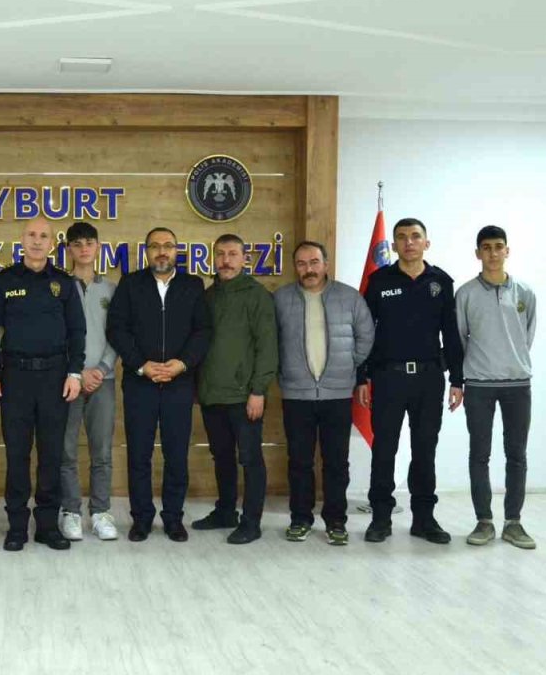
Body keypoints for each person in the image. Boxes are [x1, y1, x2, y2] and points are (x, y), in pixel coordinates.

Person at [356, 218, 464, 545]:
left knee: (424, 449)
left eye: (415, 237)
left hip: (429, 379)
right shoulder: (379, 281)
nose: (409, 242)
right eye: (401, 237)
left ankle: (424, 518)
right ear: (393, 243)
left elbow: (452, 335)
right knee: (384, 448)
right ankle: (381, 517)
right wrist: (362, 377)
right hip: (388, 378)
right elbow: (364, 332)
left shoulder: (442, 282)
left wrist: (457, 379)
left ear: (426, 243)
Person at [0, 217, 85, 552]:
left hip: (55, 379)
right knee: (17, 454)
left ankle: (46, 526)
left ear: (52, 243)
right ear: (21, 239)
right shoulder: (5, 280)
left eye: (44, 236)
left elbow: (77, 332)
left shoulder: (64, 283)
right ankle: (16, 527)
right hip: (15, 378)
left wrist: (75, 372)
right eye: (31, 235)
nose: (37, 241)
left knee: (51, 454)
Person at [107, 226, 211, 543]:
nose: (162, 251)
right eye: (155, 246)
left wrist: (181, 364)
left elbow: (203, 331)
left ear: (177, 251)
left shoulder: (193, 285)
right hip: (141, 384)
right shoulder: (131, 284)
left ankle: (173, 518)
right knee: (139, 455)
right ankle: (141, 519)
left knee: (176, 454)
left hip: (179, 384)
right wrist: (142, 365)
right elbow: (117, 329)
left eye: (168, 245)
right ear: (147, 251)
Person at [273, 241, 373, 546]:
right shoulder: (280, 299)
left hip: (337, 394)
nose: (309, 269)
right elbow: (270, 342)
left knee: (336, 462)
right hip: (296, 393)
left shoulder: (349, 298)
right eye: (302, 263)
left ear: (325, 264)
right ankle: (300, 519)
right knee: (299, 462)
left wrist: (347, 368)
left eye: (314, 262)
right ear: (295, 267)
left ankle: (336, 521)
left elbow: (366, 336)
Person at [457, 225, 537, 550]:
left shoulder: (525, 293)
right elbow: (460, 338)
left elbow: (526, 336)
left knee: (516, 455)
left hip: (518, 385)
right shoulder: (465, 294)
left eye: (498, 246)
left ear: (508, 251)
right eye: (486, 247)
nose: (493, 252)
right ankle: (484, 521)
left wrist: (512, 362)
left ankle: (513, 523)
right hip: (479, 386)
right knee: (480, 454)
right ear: (478, 253)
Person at [195, 234, 277, 545]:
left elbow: (267, 348)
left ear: (245, 259)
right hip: (212, 394)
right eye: (220, 254)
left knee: (250, 459)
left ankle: (251, 521)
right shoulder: (208, 296)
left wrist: (258, 391)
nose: (226, 260)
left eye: (232, 254)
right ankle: (225, 512)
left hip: (245, 397)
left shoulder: (257, 296)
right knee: (222, 457)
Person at [59, 222, 120, 542]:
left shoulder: (110, 290)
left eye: (89, 243)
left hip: (103, 381)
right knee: (65, 450)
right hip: (68, 382)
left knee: (102, 451)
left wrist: (101, 368)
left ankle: (100, 512)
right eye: (77, 243)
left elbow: (118, 334)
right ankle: (70, 511)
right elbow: (56, 335)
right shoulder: (57, 287)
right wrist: (77, 372)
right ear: (69, 249)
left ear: (98, 247)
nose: (84, 248)